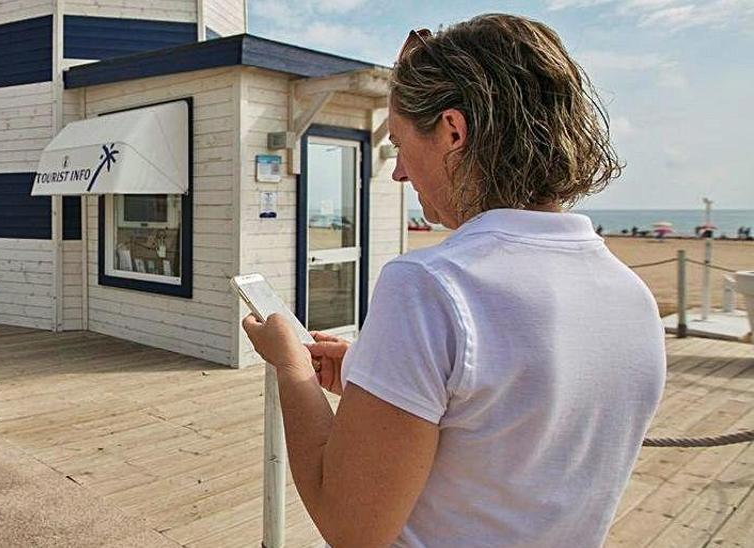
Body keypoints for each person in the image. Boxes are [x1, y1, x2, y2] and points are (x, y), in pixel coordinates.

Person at [242, 14, 665, 547]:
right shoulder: (631, 298)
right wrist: (378, 376)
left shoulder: (430, 287)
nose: (397, 172)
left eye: (399, 144)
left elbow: (349, 527)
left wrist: (290, 366)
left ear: (452, 131)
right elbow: (507, 425)